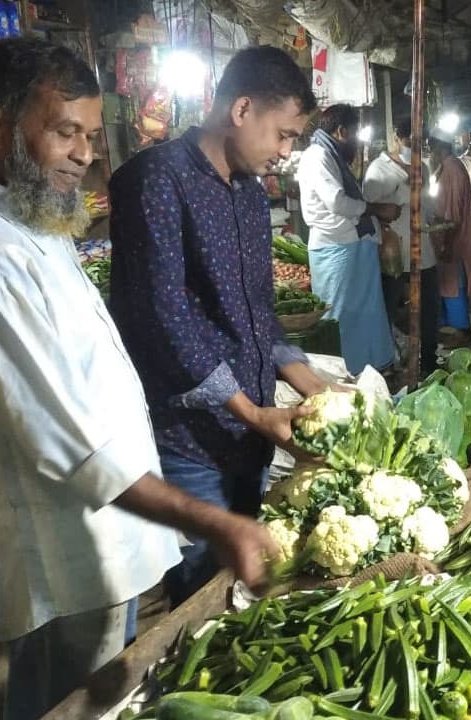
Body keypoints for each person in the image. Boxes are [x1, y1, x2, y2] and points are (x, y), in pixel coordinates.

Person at [0, 38, 278, 720]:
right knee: (65, 704)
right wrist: (218, 523)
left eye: (92, 137)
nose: (86, 155)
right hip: (51, 550)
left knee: (92, 695)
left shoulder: (29, 226)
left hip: (96, 536)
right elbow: (67, 445)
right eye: (65, 132)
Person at [108, 46, 330, 606]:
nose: (285, 152)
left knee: (251, 590)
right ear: (242, 109)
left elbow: (258, 311)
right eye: (282, 134)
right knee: (201, 604)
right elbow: (163, 320)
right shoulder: (155, 180)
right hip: (190, 444)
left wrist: (311, 382)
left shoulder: (252, 199)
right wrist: (253, 412)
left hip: (250, 435)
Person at [298, 103, 399, 374]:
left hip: (352, 246)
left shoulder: (330, 156)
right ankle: (342, 374)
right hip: (336, 248)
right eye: (354, 133)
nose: (356, 140)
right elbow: (337, 202)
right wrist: (375, 209)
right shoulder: (317, 156)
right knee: (340, 316)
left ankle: (371, 368)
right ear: (341, 131)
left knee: (365, 313)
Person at [363, 117, 441, 374]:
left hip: (424, 250)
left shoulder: (425, 167)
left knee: (430, 308)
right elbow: (371, 210)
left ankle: (428, 361)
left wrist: (436, 219)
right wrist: (405, 188)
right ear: (397, 137)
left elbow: (427, 205)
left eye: (419, 141)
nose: (414, 145)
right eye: (409, 140)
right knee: (387, 307)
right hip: (393, 253)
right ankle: (388, 363)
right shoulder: (379, 169)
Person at [428, 130, 471, 348]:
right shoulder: (450, 167)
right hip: (451, 236)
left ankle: (462, 330)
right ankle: (456, 328)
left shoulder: (451, 169)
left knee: (454, 285)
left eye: (432, 149)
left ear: (439, 148)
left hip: (454, 238)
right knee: (450, 284)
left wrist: (446, 242)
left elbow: (452, 213)